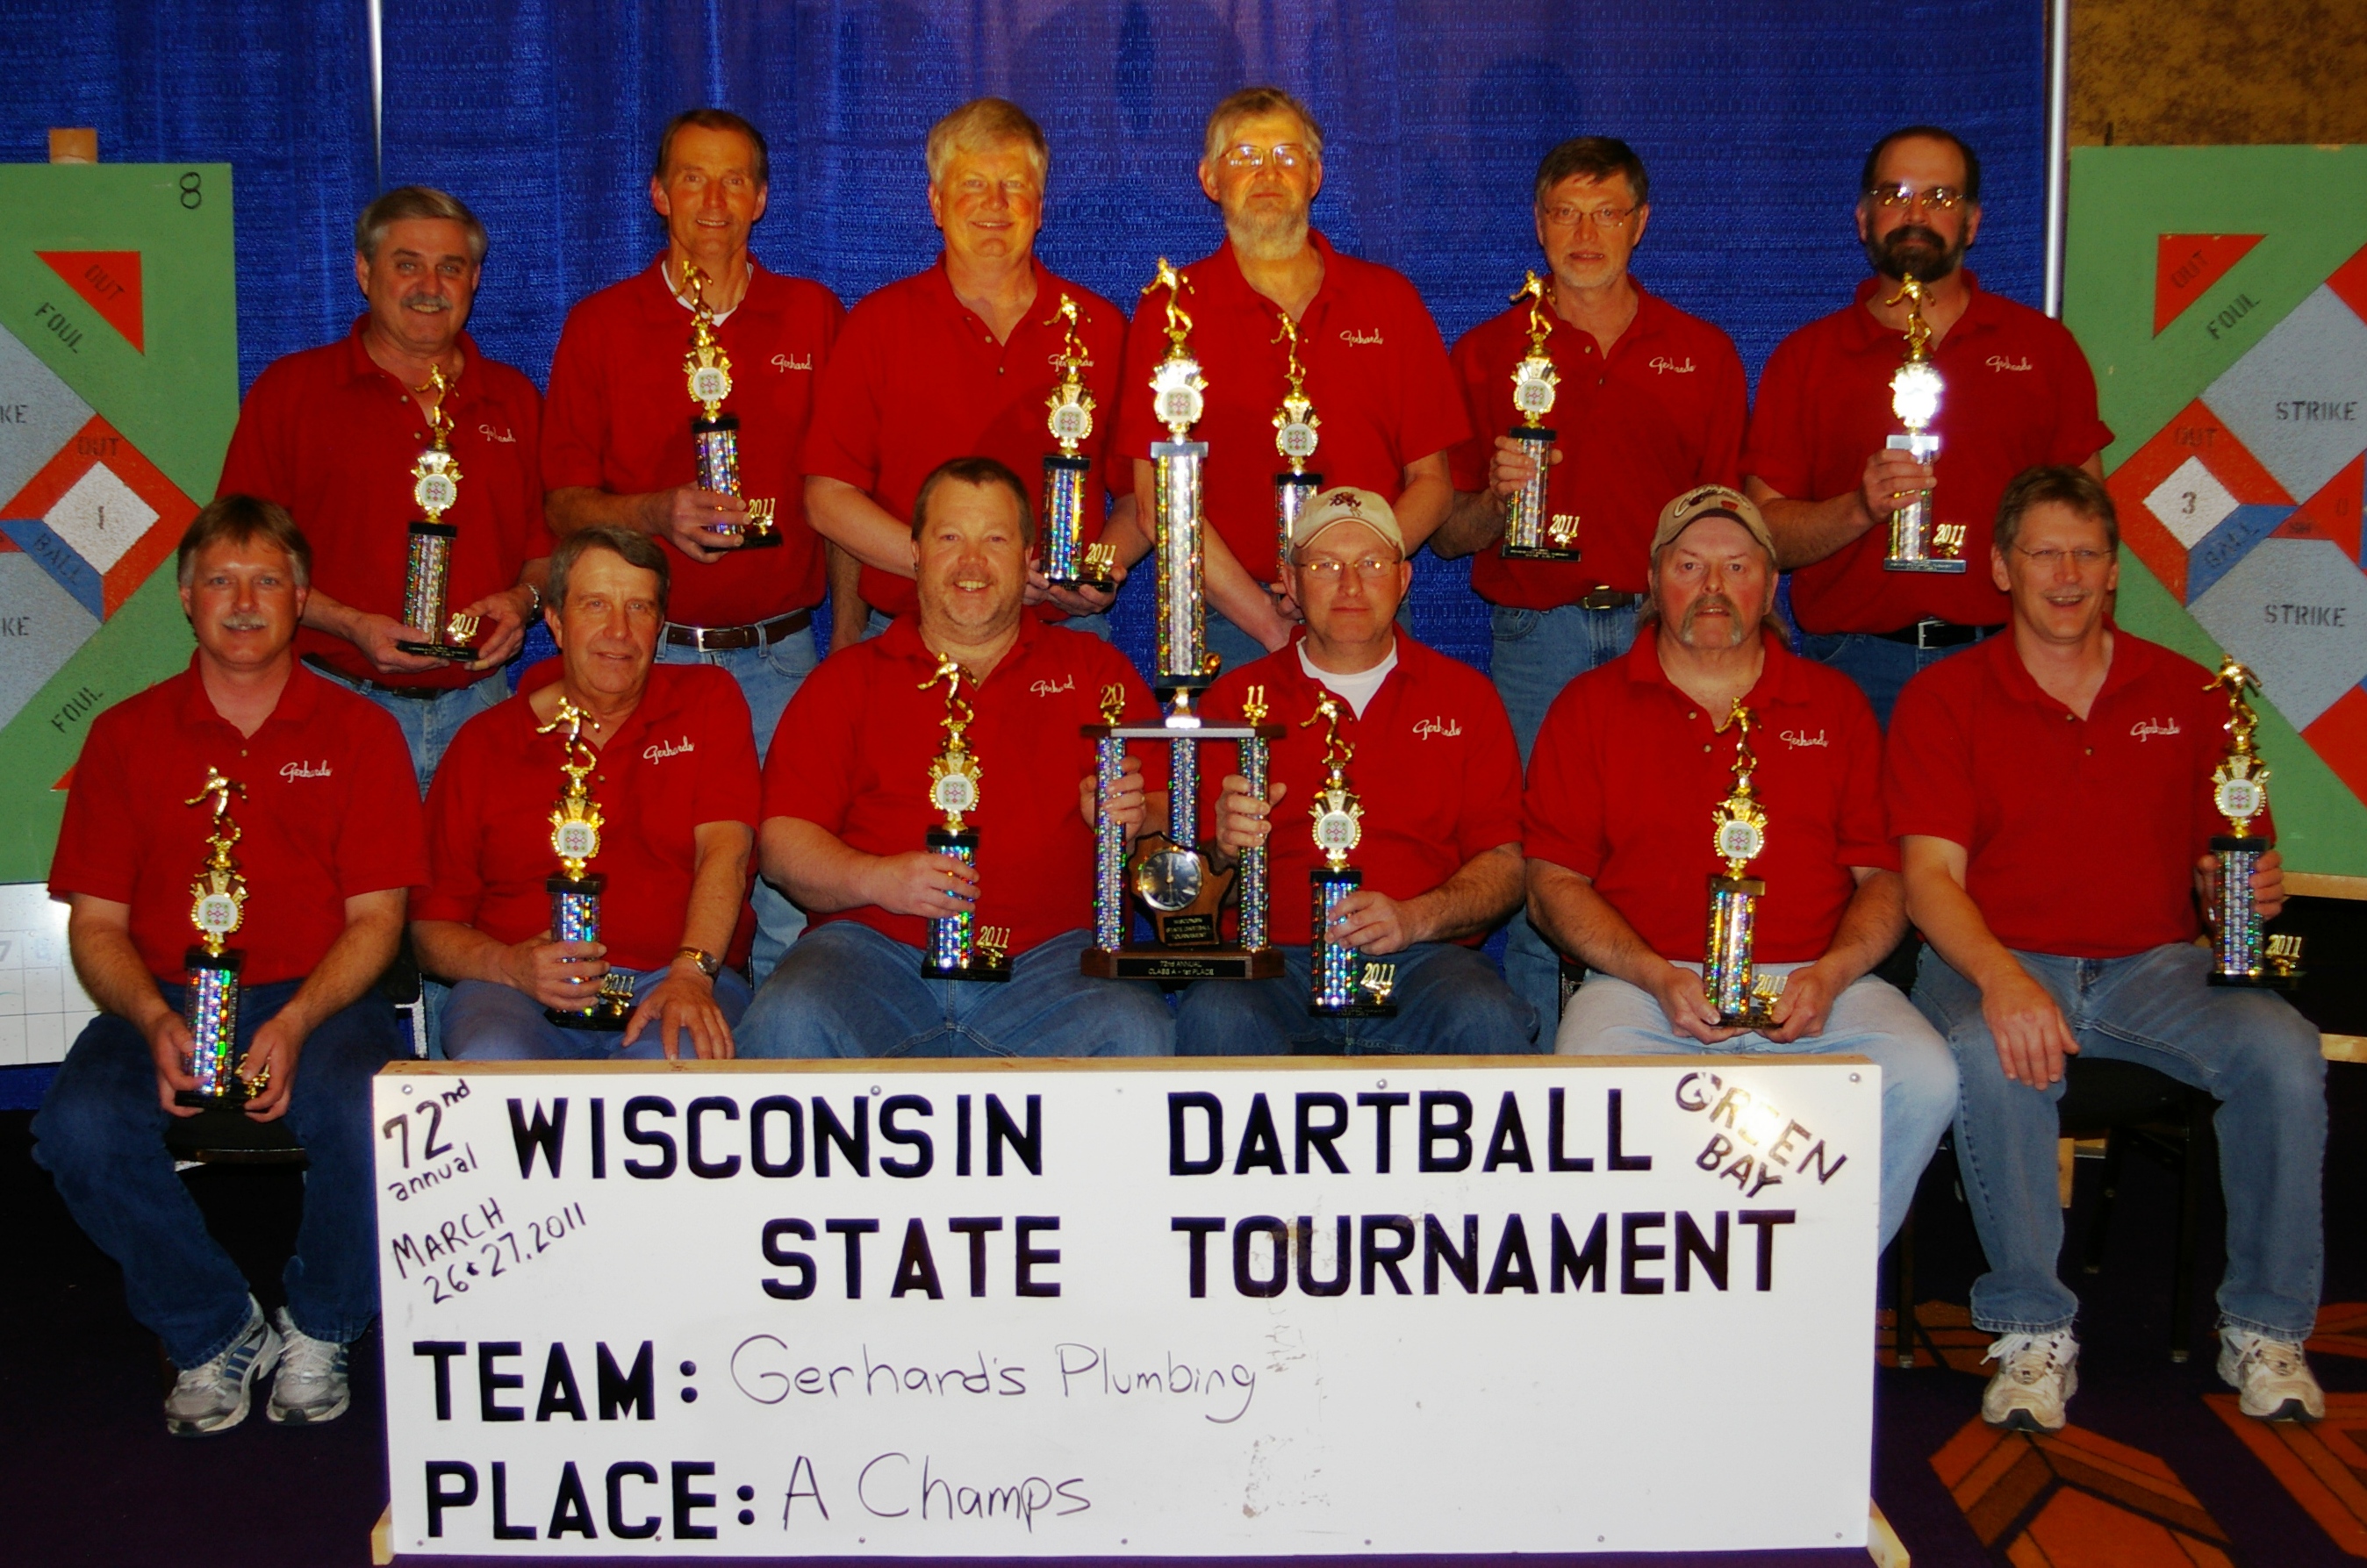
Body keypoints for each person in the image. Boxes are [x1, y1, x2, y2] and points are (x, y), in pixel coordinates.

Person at [1890, 465, 2327, 1430]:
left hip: (2152, 966)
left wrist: (2242, 888)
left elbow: (2225, 862)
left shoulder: (2190, 692)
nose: (2067, 574)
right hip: (1993, 953)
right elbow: (1928, 880)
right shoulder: (1945, 697)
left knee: (2285, 1049)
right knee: (1994, 1049)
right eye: (2044, 552)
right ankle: (2031, 1330)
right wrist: (2003, 978)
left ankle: (2264, 1326)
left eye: (2087, 553)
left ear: (2115, 567)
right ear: (2001, 567)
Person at [33, 497, 426, 1436]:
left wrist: (296, 1020)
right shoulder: (124, 736)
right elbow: (98, 924)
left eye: (266, 581)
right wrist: (152, 1018)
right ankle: (211, 1324)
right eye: (220, 580)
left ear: (300, 597)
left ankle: (323, 1323)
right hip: (165, 993)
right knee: (76, 1126)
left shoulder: (362, 732)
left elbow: (378, 920)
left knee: (375, 1113)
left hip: (320, 996)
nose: (244, 602)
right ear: (185, 597)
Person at [1528, 485, 1955, 1249]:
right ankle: (1664, 1279)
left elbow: (1883, 877)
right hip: (1644, 986)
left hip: (1813, 980)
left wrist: (1830, 974)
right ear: (1653, 579)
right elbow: (1551, 886)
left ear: (1771, 582)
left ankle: (1818, 1271)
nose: (1713, 587)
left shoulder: (1834, 704)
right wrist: (1655, 975)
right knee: (1587, 1077)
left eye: (1737, 566)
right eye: (1689, 565)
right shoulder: (1588, 706)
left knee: (1924, 1074)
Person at [1432, 135, 1747, 1027]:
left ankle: (1679, 1041)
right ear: (1538, 224)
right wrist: (1497, 502)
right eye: (1566, 213)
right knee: (1545, 865)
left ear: (1639, 224)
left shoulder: (1701, 352)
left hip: (1668, 640)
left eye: (1607, 213)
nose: (1585, 234)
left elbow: (1732, 528)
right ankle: (1547, 1078)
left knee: (1676, 849)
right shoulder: (1488, 353)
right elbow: (1449, 535)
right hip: (1538, 638)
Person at [542, 108, 843, 980]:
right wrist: (654, 512)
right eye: (692, 178)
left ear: (761, 199)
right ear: (658, 194)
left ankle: (777, 1048)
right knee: (653, 886)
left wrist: (847, 644)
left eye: (734, 180)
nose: (713, 200)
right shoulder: (602, 324)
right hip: (647, 660)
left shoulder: (812, 315)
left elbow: (841, 497)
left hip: (784, 656)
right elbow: (561, 505)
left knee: (791, 897)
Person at [737, 457, 1172, 1059]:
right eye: (949, 538)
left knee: (1137, 1028)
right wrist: (877, 879)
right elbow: (783, 847)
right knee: (786, 1016)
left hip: (1053, 967)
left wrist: (1134, 816)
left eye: (995, 540)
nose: (971, 562)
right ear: (915, 552)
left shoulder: (1097, 672)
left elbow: (1169, 812)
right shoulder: (847, 681)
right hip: (871, 958)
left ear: (1028, 558)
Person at [1743, 125, 2112, 725]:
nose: (1915, 214)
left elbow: (2091, 524)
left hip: (2008, 660)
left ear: (1972, 222)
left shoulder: (2044, 350)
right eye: (1894, 195)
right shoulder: (1806, 359)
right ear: (1863, 218)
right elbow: (1765, 535)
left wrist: (2089, 656)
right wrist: (1858, 508)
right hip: (1853, 667)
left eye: (1940, 198)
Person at [1109, 86, 1467, 672]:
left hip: (1367, 615)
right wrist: (1268, 624)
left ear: (1315, 176)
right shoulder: (1169, 312)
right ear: (1209, 179)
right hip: (1233, 620)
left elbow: (1433, 484)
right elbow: (1157, 502)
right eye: (1244, 156)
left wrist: (1354, 578)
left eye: (1286, 154)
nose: (1268, 173)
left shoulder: (1389, 301)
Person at [1179, 486, 1534, 1056]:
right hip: (1273, 964)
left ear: (1403, 579)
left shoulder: (1466, 699)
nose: (1350, 585)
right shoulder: (1233, 702)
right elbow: (1182, 891)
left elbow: (1506, 866)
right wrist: (1219, 849)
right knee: (1216, 1014)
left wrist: (1415, 918)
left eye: (1371, 564)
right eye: (1325, 566)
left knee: (1485, 1016)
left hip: (1423, 962)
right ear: (1290, 583)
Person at [218, 186, 550, 784]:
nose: (430, 286)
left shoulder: (515, 401)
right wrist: (350, 624)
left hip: (480, 710)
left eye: (450, 267)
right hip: (333, 703)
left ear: (475, 279)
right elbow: (239, 562)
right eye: (407, 265)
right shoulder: (292, 393)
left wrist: (522, 603)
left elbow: (547, 553)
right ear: (364, 272)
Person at [412, 527, 757, 1061]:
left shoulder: (709, 701)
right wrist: (509, 966)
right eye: (595, 604)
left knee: (673, 1063)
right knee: (494, 1056)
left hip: (676, 976)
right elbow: (430, 928)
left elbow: (726, 852)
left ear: (660, 625)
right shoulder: (484, 743)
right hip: (516, 992)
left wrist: (692, 972)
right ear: (555, 620)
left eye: (639, 607)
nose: (619, 631)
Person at [805, 97, 1131, 647]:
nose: (995, 203)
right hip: (912, 637)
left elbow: (1140, 497)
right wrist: (962, 569)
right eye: (973, 183)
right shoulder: (878, 325)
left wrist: (1097, 569)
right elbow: (827, 499)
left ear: (1040, 206)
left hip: (1063, 638)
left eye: (1014, 185)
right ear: (936, 202)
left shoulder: (1100, 328)